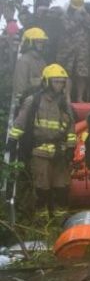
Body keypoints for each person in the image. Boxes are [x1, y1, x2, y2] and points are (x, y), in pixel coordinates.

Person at [7, 64, 76, 216]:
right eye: (56, 81)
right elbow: (20, 122)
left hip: (60, 153)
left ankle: (60, 222)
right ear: (47, 82)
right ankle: (41, 223)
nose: (59, 85)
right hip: (40, 152)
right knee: (41, 189)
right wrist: (12, 140)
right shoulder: (33, 101)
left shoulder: (65, 103)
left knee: (62, 188)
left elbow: (71, 128)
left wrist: (71, 148)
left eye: (61, 82)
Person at [57, 0, 90, 102]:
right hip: (68, 49)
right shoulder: (64, 16)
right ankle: (67, 96)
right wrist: (78, 20)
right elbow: (67, 28)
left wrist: (85, 16)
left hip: (82, 49)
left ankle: (80, 98)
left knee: (81, 74)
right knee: (68, 73)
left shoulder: (85, 14)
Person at [12, 27, 48, 102]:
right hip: (27, 102)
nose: (41, 45)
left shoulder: (42, 60)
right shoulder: (24, 61)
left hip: (39, 101)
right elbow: (20, 87)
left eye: (42, 42)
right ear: (29, 43)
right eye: (38, 42)